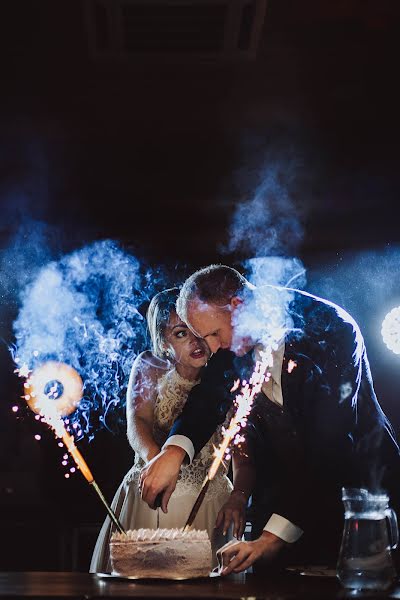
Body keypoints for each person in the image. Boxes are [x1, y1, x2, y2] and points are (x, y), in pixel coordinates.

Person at [139, 265, 400, 575]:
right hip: (281, 500)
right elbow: (210, 395)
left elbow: (329, 445)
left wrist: (272, 538)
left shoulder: (331, 328)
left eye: (212, 334)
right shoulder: (230, 334)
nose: (213, 348)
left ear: (237, 307)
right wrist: (174, 451)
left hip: (358, 503)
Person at [89, 287, 245, 573]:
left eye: (198, 330)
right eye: (180, 333)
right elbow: (138, 424)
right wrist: (156, 466)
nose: (196, 341)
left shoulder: (227, 374)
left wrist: (240, 495)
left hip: (210, 503)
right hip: (151, 500)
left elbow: (242, 445)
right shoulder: (150, 365)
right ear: (162, 342)